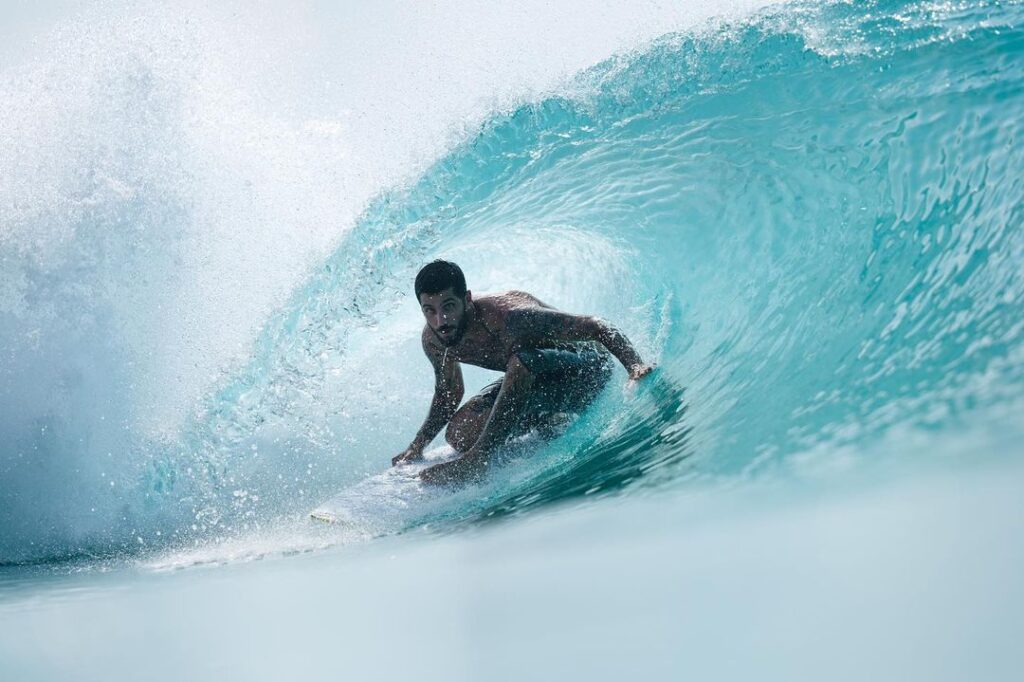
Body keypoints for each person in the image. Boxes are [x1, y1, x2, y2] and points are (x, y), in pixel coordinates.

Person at [393, 260, 655, 483]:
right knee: (459, 435)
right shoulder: (435, 341)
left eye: (448, 306)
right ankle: (550, 419)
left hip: (587, 372)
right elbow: (449, 392)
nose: (440, 321)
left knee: (520, 362)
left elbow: (596, 326)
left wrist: (634, 366)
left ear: (467, 299)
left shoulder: (511, 318)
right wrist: (418, 445)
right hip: (539, 383)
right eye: (430, 311)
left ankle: (479, 459)